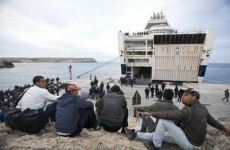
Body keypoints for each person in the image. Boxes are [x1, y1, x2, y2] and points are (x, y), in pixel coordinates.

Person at [124, 88, 230, 149]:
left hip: (190, 144)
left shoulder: (188, 110)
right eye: (182, 94)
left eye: (186, 95)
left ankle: (156, 147)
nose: (183, 96)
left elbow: (168, 115)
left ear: (194, 97)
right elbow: (213, 122)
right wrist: (225, 129)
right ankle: (135, 135)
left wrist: (151, 113)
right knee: (158, 135)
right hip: (188, 139)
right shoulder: (203, 107)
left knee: (164, 121)